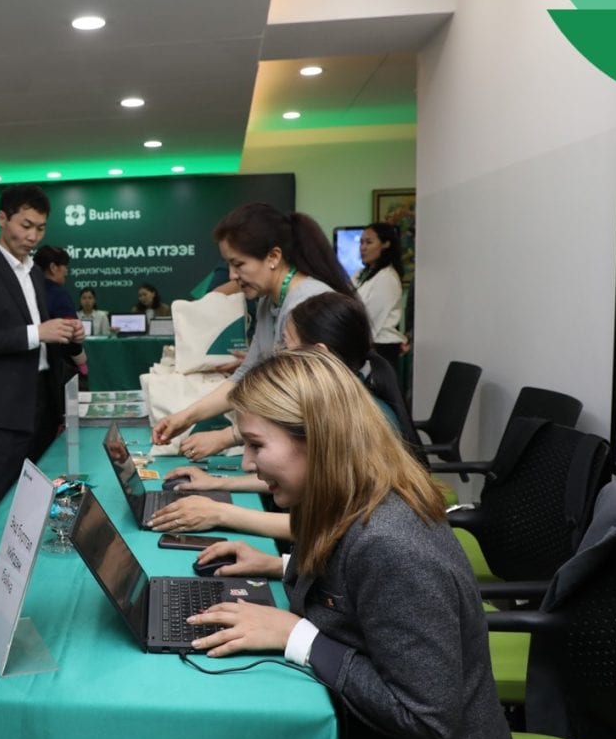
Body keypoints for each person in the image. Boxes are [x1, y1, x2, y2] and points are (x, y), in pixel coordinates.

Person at [188, 349, 517, 739]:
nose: (247, 463)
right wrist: (277, 564)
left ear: (317, 440)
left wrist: (298, 637)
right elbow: (354, 592)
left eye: (256, 445)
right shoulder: (343, 500)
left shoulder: (391, 544)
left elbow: (425, 718)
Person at [149, 292, 424, 537]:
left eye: (286, 345)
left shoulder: (359, 422)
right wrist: (219, 483)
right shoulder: (344, 406)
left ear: (317, 355)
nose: (279, 354)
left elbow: (337, 527)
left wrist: (220, 513)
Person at [152, 202, 355, 460]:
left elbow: (300, 403)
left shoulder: (308, 306)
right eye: (229, 265)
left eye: (239, 264)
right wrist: (185, 417)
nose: (233, 275)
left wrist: (228, 437)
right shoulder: (268, 301)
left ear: (273, 257)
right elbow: (247, 373)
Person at [0, 184, 84, 512]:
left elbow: (42, 336)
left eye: (40, 228)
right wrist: (37, 332)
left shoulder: (35, 273)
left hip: (44, 400)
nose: (33, 236)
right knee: (6, 503)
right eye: (25, 225)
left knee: (42, 496)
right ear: (2, 219)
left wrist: (68, 334)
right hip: (5, 410)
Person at [354, 222, 406, 370]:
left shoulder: (387, 277)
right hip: (366, 345)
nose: (363, 247)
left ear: (386, 244)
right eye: (361, 242)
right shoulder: (361, 274)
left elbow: (371, 319)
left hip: (380, 348)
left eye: (369, 242)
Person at [34, 244, 88, 381]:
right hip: (58, 367)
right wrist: (82, 363)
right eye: (65, 266)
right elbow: (71, 334)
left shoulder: (29, 291)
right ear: (53, 268)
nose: (67, 272)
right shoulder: (59, 295)